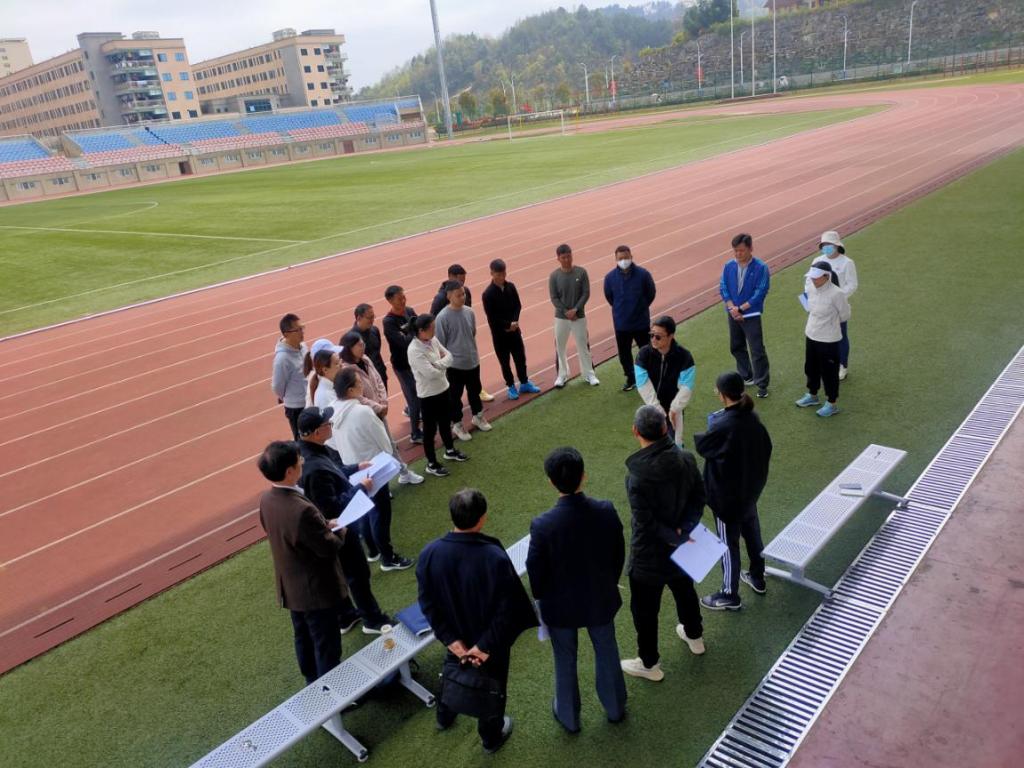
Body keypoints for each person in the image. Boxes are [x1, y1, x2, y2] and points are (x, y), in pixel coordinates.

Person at [417, 488, 537, 754]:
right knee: (493, 687)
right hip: (489, 644)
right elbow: (508, 610)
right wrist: (483, 646)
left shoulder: (429, 554)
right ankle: (490, 737)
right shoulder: (493, 557)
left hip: (455, 640)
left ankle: (444, 717)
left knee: (451, 672)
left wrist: (451, 640)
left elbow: (426, 602)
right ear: (482, 518)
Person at [527, 447, 627, 734]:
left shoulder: (542, 525)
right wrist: (609, 581)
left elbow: (536, 571)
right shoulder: (605, 510)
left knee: (564, 658)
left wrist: (543, 598)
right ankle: (615, 708)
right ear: (584, 476)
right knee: (607, 650)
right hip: (600, 598)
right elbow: (618, 553)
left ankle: (569, 717)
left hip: (560, 607)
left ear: (551, 482)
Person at [620, 406, 707, 682]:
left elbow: (645, 522)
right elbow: (699, 499)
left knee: (645, 612)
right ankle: (695, 636)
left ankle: (649, 663)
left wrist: (674, 535)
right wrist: (683, 532)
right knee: (685, 591)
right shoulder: (686, 458)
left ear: (635, 431)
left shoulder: (636, 477)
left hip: (648, 555)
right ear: (665, 427)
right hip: (682, 545)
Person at [297, 407, 394, 634]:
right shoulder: (314, 467)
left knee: (341, 573)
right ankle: (372, 620)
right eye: (327, 424)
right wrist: (361, 487)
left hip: (329, 530)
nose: (330, 426)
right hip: (339, 528)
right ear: (316, 432)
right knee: (357, 573)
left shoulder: (310, 452)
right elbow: (330, 507)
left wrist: (356, 468)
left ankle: (346, 616)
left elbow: (335, 471)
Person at [256, 440, 347, 684]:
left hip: (291, 587)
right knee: (326, 642)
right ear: (289, 471)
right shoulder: (300, 509)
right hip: (315, 590)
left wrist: (322, 527)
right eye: (299, 461)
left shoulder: (267, 500)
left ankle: (311, 681)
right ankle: (331, 691)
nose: (303, 463)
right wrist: (339, 530)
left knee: (304, 637)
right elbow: (327, 547)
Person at [694, 372, 773, 610]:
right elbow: (767, 447)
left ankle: (729, 594)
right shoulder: (753, 417)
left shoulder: (723, 424)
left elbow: (703, 446)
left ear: (722, 394)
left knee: (728, 545)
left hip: (726, 499)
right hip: (750, 493)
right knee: (753, 535)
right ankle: (757, 577)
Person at [330, 367, 414, 572]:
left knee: (365, 511)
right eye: (358, 383)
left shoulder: (333, 410)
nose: (362, 385)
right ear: (350, 390)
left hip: (352, 468)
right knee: (380, 513)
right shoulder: (363, 412)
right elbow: (384, 442)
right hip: (373, 467)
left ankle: (373, 550)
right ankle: (388, 557)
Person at [339, 331, 424, 484]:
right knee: (374, 449)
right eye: (359, 345)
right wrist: (377, 406)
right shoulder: (346, 370)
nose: (363, 347)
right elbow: (357, 396)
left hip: (379, 412)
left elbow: (378, 380)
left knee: (390, 444)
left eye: (363, 344)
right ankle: (379, 482)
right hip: (366, 415)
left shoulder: (365, 359)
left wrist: (383, 402)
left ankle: (404, 473)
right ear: (349, 348)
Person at [407, 313, 468, 477]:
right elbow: (430, 374)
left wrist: (437, 365)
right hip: (428, 395)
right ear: (421, 331)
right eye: (432, 327)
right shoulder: (414, 350)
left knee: (445, 422)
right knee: (430, 430)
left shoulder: (432, 339)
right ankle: (432, 463)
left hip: (443, 388)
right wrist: (442, 366)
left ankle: (450, 450)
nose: (435, 330)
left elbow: (449, 356)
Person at [435, 281, 493, 441]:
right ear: (449, 296)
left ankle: (478, 417)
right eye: (458, 295)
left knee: (475, 391)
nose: (462, 297)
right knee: (455, 397)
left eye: (463, 294)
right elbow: (440, 344)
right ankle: (458, 424)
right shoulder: (442, 317)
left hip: (472, 360)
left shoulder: (469, 312)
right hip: (455, 366)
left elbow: (472, 332)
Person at [430, 263, 494, 402]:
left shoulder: (466, 292)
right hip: (450, 347)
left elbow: (469, 317)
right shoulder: (440, 299)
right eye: (460, 280)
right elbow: (433, 322)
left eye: (464, 281)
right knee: (453, 384)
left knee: (472, 373)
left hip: (466, 344)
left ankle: (478, 392)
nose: (462, 285)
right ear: (450, 277)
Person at [481, 259, 541, 401]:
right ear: (492, 273)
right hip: (500, 335)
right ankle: (511, 386)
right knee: (505, 362)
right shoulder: (487, 294)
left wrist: (514, 321)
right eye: (498, 274)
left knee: (520, 358)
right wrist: (507, 325)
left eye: (504, 273)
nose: (502, 277)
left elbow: (517, 306)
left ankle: (524, 382)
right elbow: (492, 318)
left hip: (514, 331)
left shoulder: (511, 287)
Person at [719, 234, 771, 399]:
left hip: (751, 314)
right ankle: (746, 375)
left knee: (757, 350)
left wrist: (741, 309)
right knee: (736, 346)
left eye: (741, 250)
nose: (738, 254)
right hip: (733, 313)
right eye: (735, 251)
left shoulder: (761, 267)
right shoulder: (729, 266)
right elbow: (723, 287)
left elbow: (760, 291)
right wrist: (732, 308)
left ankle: (762, 384)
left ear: (750, 249)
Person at [796, 261, 851, 418]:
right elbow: (808, 306)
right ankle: (812, 395)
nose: (813, 280)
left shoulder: (837, 293)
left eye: (817, 277)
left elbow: (845, 315)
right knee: (811, 367)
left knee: (829, 372)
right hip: (811, 334)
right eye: (812, 277)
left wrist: (830, 323)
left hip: (829, 339)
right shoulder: (810, 288)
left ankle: (831, 403)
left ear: (827, 276)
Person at [634, 315, 695, 446]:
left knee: (675, 443)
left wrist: (674, 409)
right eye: (651, 335)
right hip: (651, 407)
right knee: (652, 445)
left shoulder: (684, 356)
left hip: (675, 407)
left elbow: (686, 387)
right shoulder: (643, 354)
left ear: (670, 336)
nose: (653, 339)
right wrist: (658, 411)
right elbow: (643, 384)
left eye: (658, 337)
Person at [603, 245, 657, 392]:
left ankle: (650, 376)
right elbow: (609, 297)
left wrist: (642, 307)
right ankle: (631, 378)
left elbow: (651, 293)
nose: (624, 261)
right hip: (621, 324)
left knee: (647, 351)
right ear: (616, 259)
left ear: (631, 257)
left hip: (641, 322)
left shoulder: (643, 274)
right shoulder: (609, 278)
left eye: (626, 257)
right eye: (620, 258)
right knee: (624, 354)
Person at [549, 244, 599, 387]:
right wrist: (566, 312)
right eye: (563, 257)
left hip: (579, 317)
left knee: (582, 345)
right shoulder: (554, 276)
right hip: (561, 318)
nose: (567, 260)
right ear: (558, 258)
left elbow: (586, 293)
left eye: (569, 256)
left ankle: (589, 374)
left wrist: (576, 309)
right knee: (560, 346)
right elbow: (554, 297)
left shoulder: (581, 272)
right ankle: (562, 375)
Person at [811, 230, 858, 380]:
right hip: (820, 306)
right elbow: (809, 282)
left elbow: (852, 284)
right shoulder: (817, 260)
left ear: (837, 245)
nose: (826, 247)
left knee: (840, 336)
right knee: (820, 336)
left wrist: (837, 297)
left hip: (838, 307)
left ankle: (842, 365)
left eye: (829, 244)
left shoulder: (847, 263)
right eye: (824, 245)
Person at [382, 285, 423, 444]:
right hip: (403, 365)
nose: (404, 301)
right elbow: (404, 342)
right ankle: (415, 433)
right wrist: (412, 330)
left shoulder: (409, 311)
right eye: (400, 299)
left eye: (404, 297)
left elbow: (420, 330)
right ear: (390, 301)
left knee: (420, 393)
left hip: (416, 361)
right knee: (414, 397)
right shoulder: (389, 322)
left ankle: (410, 410)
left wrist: (412, 331)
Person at [271, 313, 308, 439]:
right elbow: (277, 386)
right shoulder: (282, 359)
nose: (302, 332)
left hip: (309, 400)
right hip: (296, 407)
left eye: (302, 328)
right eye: (298, 330)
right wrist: (288, 398)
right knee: (302, 441)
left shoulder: (303, 347)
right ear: (286, 334)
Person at [350, 304, 389, 391]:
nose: (372, 320)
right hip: (366, 380)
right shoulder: (351, 338)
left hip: (380, 374)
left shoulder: (375, 330)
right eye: (369, 318)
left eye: (373, 317)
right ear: (359, 318)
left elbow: (377, 351)